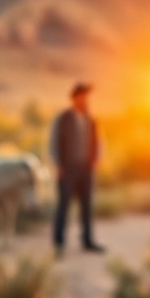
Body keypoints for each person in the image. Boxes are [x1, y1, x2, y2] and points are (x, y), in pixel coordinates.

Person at [50, 81, 104, 256]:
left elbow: (98, 141)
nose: (85, 100)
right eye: (83, 96)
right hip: (68, 168)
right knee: (63, 206)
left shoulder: (90, 119)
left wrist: (96, 158)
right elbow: (54, 142)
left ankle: (87, 240)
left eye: (87, 97)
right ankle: (59, 243)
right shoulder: (64, 118)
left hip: (86, 169)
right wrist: (57, 164)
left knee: (87, 206)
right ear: (75, 98)